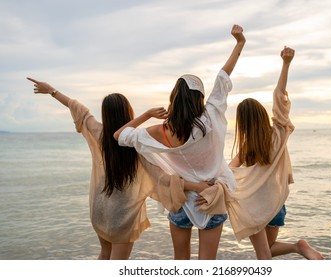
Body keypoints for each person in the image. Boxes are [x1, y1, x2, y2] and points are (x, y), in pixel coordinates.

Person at [26, 77, 210, 260]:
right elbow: (163, 178)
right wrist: (197, 186)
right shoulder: (137, 149)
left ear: (105, 114)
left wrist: (52, 91)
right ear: (128, 112)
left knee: (104, 255)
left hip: (99, 208)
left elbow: (77, 107)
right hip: (122, 215)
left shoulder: (99, 133)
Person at [114, 24, 246, 259]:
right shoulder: (209, 118)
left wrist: (146, 115)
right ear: (200, 98)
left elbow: (119, 136)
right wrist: (239, 43)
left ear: (174, 97)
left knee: (180, 262)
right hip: (212, 195)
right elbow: (223, 77)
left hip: (182, 199)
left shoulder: (160, 131)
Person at [228, 47, 323, 260]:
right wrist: (286, 63)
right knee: (268, 249)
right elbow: (280, 97)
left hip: (255, 205)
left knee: (263, 255)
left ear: (242, 124)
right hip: (277, 203)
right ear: (262, 115)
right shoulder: (278, 135)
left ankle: (298, 248)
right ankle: (298, 247)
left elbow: (229, 170)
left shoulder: (247, 149)